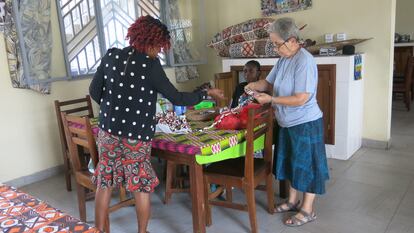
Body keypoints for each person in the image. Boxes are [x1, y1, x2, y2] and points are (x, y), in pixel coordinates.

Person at [89, 15, 224, 233]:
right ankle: (142, 232)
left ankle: (98, 230)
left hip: (107, 132)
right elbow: (177, 98)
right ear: (151, 42)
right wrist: (205, 93)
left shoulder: (112, 56)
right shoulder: (150, 65)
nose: (159, 52)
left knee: (104, 181)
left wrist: (114, 107)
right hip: (136, 136)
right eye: (159, 47)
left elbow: (95, 92)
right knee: (140, 186)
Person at [245, 17, 329, 227]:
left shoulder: (304, 61)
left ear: (292, 40)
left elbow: (302, 98)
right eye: (273, 43)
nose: (275, 48)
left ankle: (307, 210)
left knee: (306, 167)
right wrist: (253, 85)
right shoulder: (283, 59)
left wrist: (272, 99)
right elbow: (267, 82)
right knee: (292, 163)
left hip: (305, 123)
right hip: (287, 122)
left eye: (277, 44)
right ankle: (292, 201)